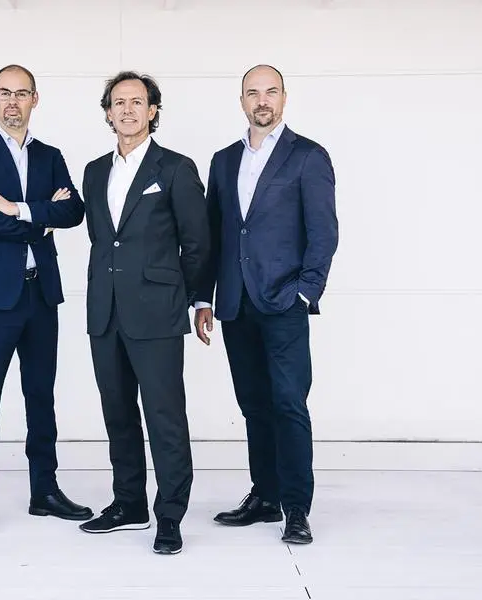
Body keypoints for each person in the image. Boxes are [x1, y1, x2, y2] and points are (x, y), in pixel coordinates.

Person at [194, 64, 338, 545]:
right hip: (236, 303)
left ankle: (296, 508)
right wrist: (204, 296)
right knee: (254, 404)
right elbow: (214, 235)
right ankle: (266, 495)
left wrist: (305, 292)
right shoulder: (223, 160)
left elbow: (323, 233)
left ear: (283, 98)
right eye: (253, 92)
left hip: (284, 302)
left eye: (270, 91)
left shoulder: (308, 156)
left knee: (289, 404)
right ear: (242, 101)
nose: (262, 100)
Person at [0, 64, 92, 534]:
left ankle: (44, 492)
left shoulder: (50, 156)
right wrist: (41, 220)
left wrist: (17, 207)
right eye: (4, 93)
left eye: (22, 93)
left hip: (40, 294)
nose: (12, 101)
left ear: (35, 99)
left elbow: (74, 210)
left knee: (41, 395)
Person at [78, 71, 209, 554]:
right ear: (107, 113)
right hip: (105, 311)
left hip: (157, 311)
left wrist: (199, 299)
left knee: (164, 416)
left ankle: (169, 515)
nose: (128, 110)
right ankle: (128, 503)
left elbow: (197, 241)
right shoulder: (94, 171)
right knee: (118, 414)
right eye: (119, 102)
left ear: (153, 111)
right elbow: (102, 239)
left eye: (137, 102)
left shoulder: (174, 168)